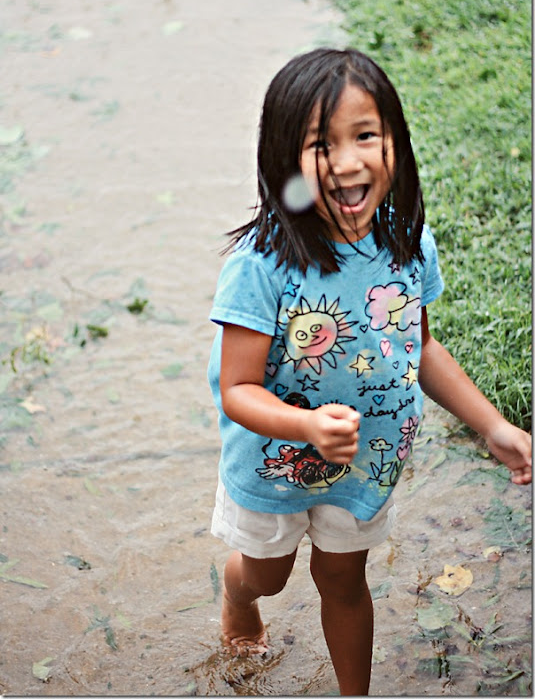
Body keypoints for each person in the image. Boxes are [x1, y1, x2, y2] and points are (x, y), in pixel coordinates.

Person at [206, 48, 532, 696]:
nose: (348, 161)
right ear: (282, 160)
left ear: (395, 144)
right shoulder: (261, 264)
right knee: (268, 575)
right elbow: (237, 389)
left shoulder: (406, 242)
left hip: (365, 460)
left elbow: (421, 349)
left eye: (365, 136)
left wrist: (492, 425)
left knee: (344, 582)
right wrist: (305, 425)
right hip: (274, 463)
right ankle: (238, 596)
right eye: (320, 145)